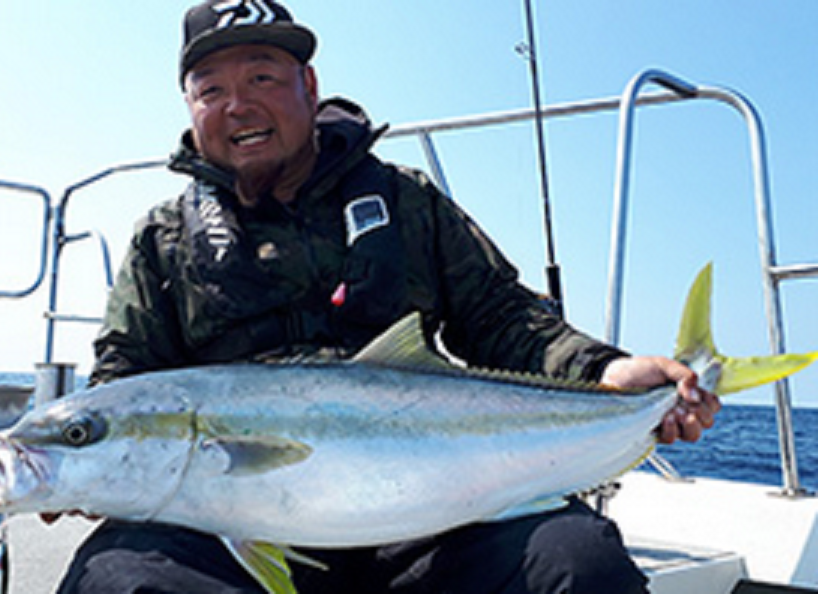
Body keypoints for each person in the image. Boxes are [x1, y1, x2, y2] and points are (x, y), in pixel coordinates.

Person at [55, 1, 721, 592]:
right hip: (220, 522)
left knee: (575, 563)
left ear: (308, 86)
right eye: (210, 90)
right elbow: (127, 380)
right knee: (115, 581)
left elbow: (500, 316)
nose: (238, 106)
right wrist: (88, 468)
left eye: (261, 78)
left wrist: (603, 372)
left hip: (434, 512)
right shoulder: (163, 238)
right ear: (189, 107)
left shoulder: (405, 200)